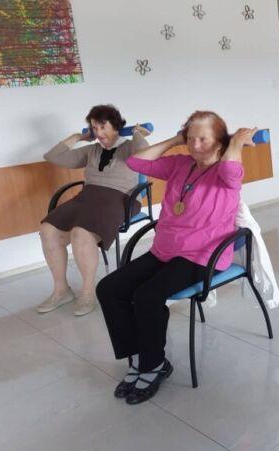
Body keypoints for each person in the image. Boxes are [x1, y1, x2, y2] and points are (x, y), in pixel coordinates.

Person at [95, 111, 257, 405]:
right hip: (165, 250)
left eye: (203, 139)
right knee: (108, 288)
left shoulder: (226, 172)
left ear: (219, 141)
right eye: (190, 138)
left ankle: (153, 365)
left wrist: (235, 143)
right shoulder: (180, 164)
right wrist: (174, 140)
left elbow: (232, 169)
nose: (195, 145)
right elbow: (136, 162)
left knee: (147, 296)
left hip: (201, 255)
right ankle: (139, 359)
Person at [39, 105, 150, 316]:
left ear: (116, 126)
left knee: (80, 233)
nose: (98, 133)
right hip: (87, 198)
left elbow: (144, 156)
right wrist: (77, 137)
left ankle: (88, 293)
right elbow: (52, 156)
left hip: (120, 198)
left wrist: (136, 133)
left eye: (102, 126)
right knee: (47, 230)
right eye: (94, 128)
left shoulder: (129, 147)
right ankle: (61, 290)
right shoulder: (91, 150)